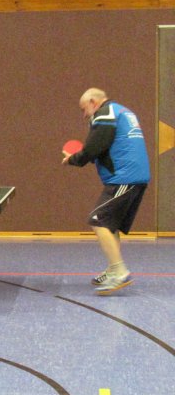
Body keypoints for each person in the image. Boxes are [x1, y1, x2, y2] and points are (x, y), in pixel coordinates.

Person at [62, 88, 150, 295]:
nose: (84, 115)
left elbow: (93, 149)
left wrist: (72, 159)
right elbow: (107, 146)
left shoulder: (104, 114)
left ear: (93, 102)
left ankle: (120, 271)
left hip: (124, 178)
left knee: (98, 220)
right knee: (110, 225)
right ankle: (112, 269)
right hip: (134, 176)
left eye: (84, 109)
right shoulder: (123, 111)